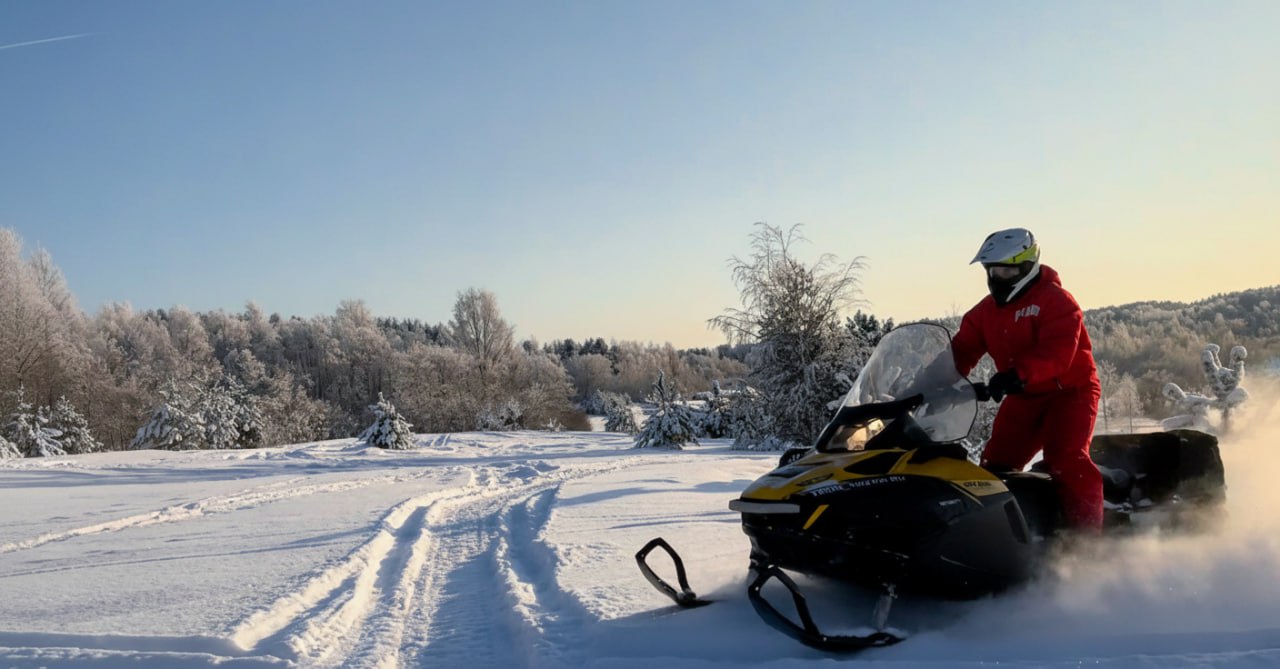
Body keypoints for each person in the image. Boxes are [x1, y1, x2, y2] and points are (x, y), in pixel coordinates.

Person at [951, 228, 1104, 530]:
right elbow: (961, 349)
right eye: (993, 270)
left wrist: (1016, 375)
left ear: (1027, 266)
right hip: (1024, 396)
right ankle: (1002, 533)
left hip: (1070, 392)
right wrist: (930, 382)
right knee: (994, 466)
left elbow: (1057, 354)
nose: (999, 277)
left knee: (1066, 460)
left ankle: (1087, 538)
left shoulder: (1057, 301)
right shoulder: (985, 312)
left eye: (1007, 270)